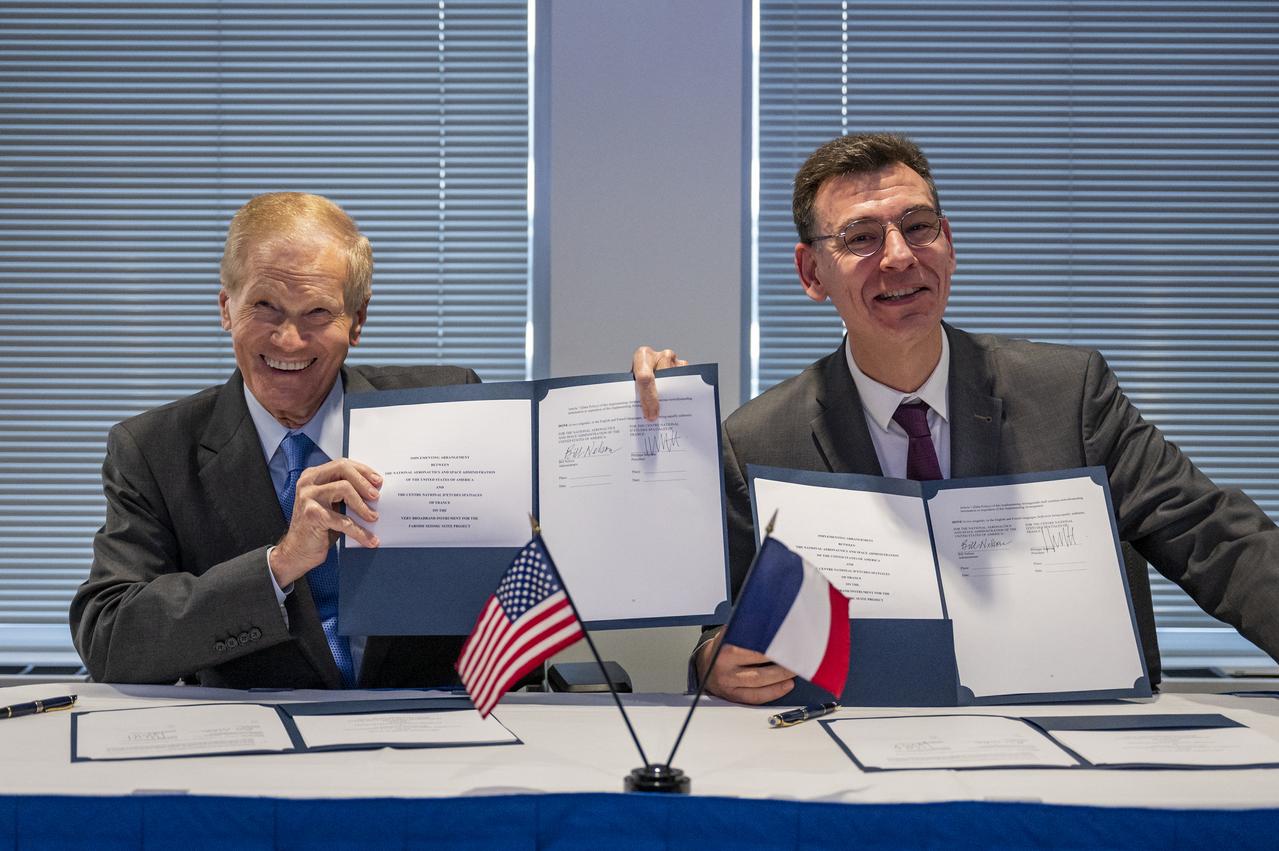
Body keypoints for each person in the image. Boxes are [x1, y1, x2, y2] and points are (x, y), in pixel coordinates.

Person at [635, 132, 1279, 705]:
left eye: (918, 226)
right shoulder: (757, 441)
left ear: (949, 243)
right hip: (852, 762)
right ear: (811, 273)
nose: (898, 256)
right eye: (860, 237)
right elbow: (725, 639)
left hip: (1069, 749)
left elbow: (1215, 538)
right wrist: (713, 663)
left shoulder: (1069, 394)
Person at [70, 192, 668, 689]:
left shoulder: (449, 404)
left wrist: (653, 419)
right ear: (225, 308)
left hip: (438, 746)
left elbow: (568, 517)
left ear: (357, 321)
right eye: (264, 306)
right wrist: (280, 566)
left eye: (317, 314)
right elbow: (111, 638)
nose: (287, 339)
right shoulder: (153, 449)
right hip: (259, 761)